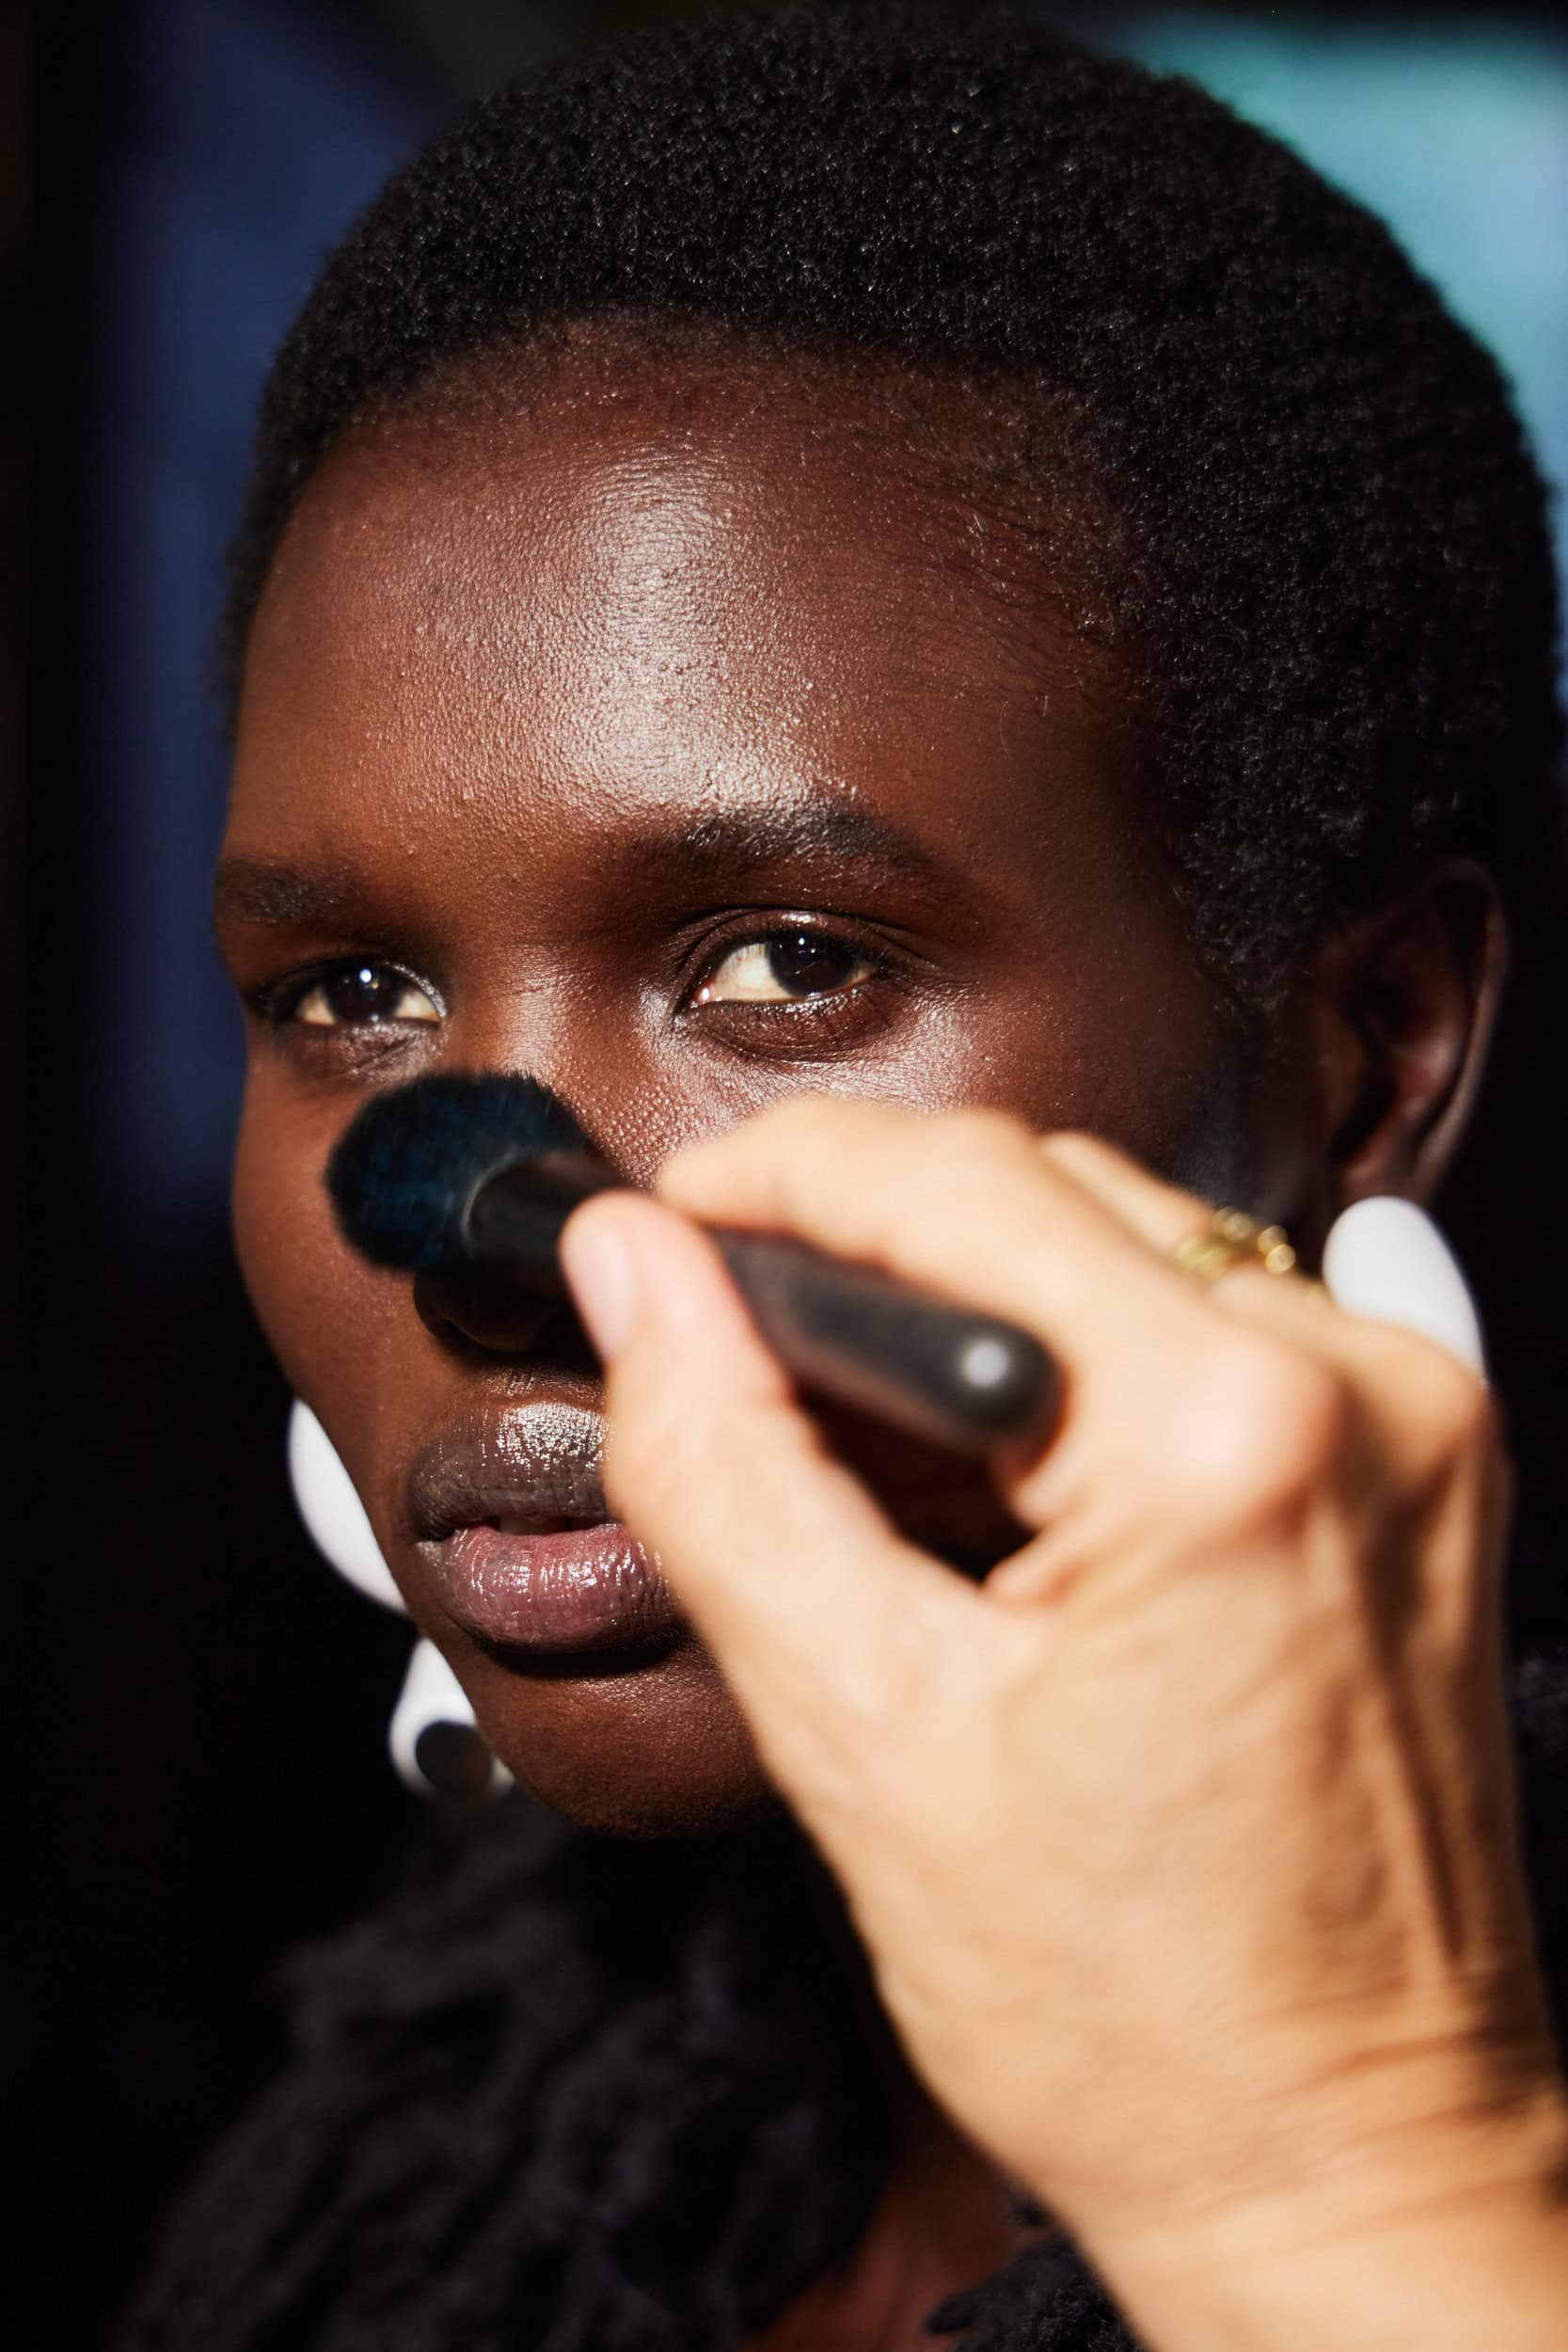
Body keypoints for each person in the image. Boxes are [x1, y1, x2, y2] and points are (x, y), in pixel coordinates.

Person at [119, 8, 1568, 2348]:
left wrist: (1350, 2162)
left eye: (786, 964)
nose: (478, 1233)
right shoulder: (409, 2179)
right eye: (353, 992)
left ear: (1371, 1050)